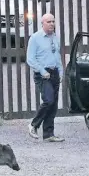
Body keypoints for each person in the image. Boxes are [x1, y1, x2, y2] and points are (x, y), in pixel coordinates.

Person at [26, 13, 65, 142]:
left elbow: (57, 56)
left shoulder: (54, 37)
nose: (52, 24)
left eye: (53, 21)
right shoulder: (35, 38)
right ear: (42, 23)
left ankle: (49, 134)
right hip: (42, 74)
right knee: (48, 100)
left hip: (54, 72)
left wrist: (60, 71)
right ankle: (33, 124)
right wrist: (42, 71)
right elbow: (30, 59)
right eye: (49, 22)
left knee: (53, 105)